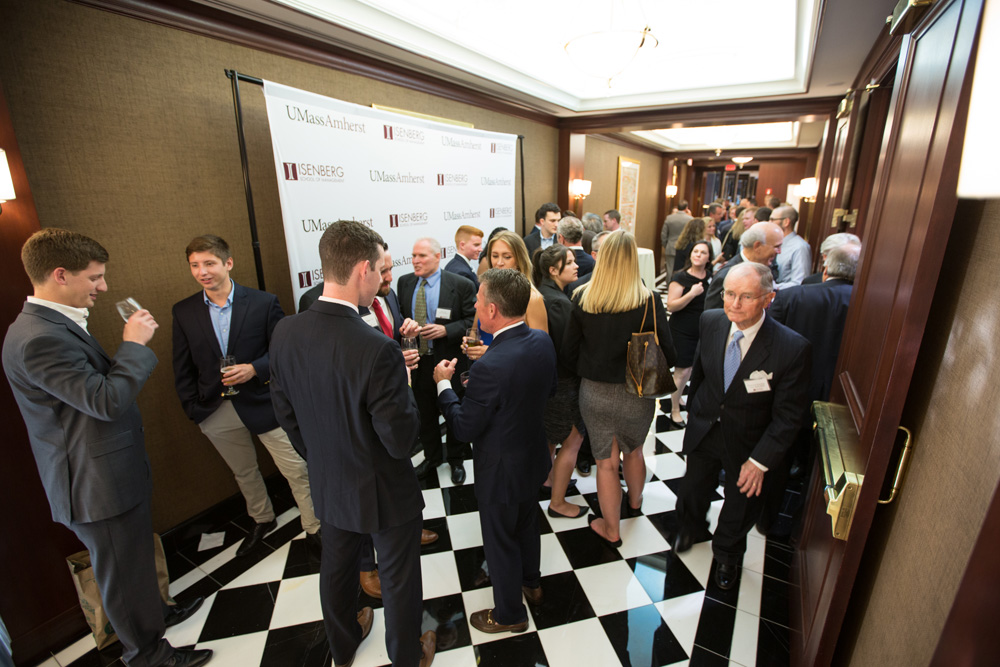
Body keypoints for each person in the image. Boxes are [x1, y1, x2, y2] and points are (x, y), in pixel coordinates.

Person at [3, 229, 212, 667]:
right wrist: (133, 346)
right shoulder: (38, 337)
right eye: (95, 277)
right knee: (122, 577)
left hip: (110, 472)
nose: (103, 286)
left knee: (134, 564)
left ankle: (157, 613)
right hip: (93, 485)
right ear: (61, 274)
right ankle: (148, 655)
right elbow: (104, 400)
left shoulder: (55, 323)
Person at [269, 221, 436, 667]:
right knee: (398, 577)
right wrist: (404, 386)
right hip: (384, 485)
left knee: (337, 569)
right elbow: (400, 440)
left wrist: (321, 456)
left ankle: (342, 648)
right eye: (381, 270)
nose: (383, 279)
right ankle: (407, 656)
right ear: (363, 269)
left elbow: (284, 412)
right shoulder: (377, 349)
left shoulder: (285, 332)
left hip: (328, 477)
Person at [172, 235, 320, 557]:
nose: (202, 272)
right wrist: (193, 408)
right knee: (243, 472)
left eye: (209, 263)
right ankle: (262, 518)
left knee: (296, 469)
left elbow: (283, 351)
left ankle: (315, 526)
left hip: (264, 403)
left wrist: (255, 368)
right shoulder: (183, 311)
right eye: (194, 265)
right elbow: (182, 366)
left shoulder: (263, 302)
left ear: (228, 263)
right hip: (215, 409)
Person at [673, 262, 811, 590]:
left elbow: (789, 416)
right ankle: (691, 529)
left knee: (741, 502)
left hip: (751, 440)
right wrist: (694, 415)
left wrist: (761, 461)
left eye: (746, 296)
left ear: (768, 299)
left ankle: (727, 554)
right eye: (729, 294)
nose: (734, 303)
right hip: (706, 428)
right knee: (693, 488)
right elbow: (701, 374)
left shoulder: (791, 347)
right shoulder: (711, 321)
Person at [434, 269, 557, 634]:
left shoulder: (489, 366)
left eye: (478, 301)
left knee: (500, 542)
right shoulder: (541, 340)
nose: (474, 305)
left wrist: (444, 387)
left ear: (492, 310)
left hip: (501, 470)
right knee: (527, 525)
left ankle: (509, 614)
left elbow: (463, 428)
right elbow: (548, 390)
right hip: (533, 457)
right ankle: (532, 584)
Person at [564, 231, 677, 547]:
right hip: (637, 390)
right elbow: (671, 353)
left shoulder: (582, 296)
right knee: (635, 451)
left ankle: (611, 530)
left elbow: (568, 352)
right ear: (632, 260)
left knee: (605, 462)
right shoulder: (649, 299)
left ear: (601, 258)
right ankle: (635, 504)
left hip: (595, 392)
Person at [765, 243, 860, 525]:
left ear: (826, 268)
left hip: (789, 391)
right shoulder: (867, 304)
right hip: (839, 397)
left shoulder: (792, 296)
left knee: (779, 456)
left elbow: (768, 346)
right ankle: (805, 523)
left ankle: (767, 518)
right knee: (821, 465)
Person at [398, 237, 477, 484]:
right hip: (419, 363)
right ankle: (432, 457)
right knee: (425, 414)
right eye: (413, 256)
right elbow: (402, 316)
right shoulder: (405, 283)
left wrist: (446, 330)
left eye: (421, 256)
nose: (415, 261)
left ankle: (456, 459)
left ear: (437, 256)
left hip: (449, 363)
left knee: (453, 410)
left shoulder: (460, 284)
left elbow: (473, 321)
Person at [531, 245, 588, 519]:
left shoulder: (543, 294)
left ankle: (547, 479)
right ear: (553, 270)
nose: (577, 266)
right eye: (571, 262)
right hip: (563, 382)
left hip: (549, 381)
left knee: (550, 437)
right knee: (574, 439)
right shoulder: (558, 302)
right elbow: (568, 350)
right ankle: (558, 502)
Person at [465, 231, 548, 360]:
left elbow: (540, 349)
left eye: (507, 257)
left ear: (519, 260)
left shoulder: (531, 297)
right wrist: (471, 344)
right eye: (495, 256)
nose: (499, 262)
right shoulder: (485, 292)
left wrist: (491, 351)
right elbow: (475, 331)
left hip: (512, 369)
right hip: (483, 366)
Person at [666, 240, 712, 428]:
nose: (698, 255)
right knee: (682, 371)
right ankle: (674, 409)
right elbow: (671, 306)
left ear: (709, 257)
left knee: (691, 370)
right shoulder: (681, 277)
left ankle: (678, 396)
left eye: (703, 252)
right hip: (682, 331)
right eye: (695, 251)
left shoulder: (710, 277)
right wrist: (692, 293)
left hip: (701, 330)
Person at [705, 222, 784, 310]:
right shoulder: (726, 275)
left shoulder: (765, 265)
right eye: (777, 247)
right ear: (757, 246)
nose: (779, 251)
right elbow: (713, 314)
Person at [771, 205, 812, 289]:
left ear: (786, 222)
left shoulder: (800, 247)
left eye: (772, 220)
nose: (769, 223)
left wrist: (771, 288)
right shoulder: (773, 242)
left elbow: (800, 282)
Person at [661, 200, 692, 273]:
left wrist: (666, 245)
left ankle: (669, 281)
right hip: (684, 248)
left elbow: (663, 234)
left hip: (671, 247)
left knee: (669, 270)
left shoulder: (669, 218)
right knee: (681, 270)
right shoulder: (690, 219)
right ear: (686, 208)